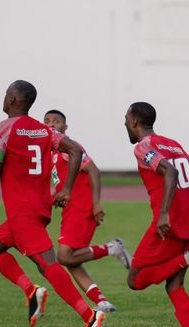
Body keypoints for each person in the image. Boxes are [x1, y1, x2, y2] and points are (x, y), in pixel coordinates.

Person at [0, 80, 104, 327]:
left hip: (22, 210)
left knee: (48, 265)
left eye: (6, 94)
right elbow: (76, 149)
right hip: (38, 206)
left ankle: (90, 315)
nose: (4, 98)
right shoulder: (43, 130)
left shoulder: (2, 129)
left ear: (12, 99)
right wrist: (67, 188)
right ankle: (30, 290)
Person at [124, 102, 189, 327]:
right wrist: (185, 202)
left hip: (168, 224)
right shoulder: (173, 144)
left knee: (135, 280)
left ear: (133, 121)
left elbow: (170, 172)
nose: (125, 125)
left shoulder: (143, 147)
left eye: (125, 120)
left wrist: (165, 213)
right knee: (174, 286)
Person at [43, 109, 132, 313]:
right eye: (46, 121)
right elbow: (60, 181)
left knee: (64, 257)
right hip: (70, 209)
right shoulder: (52, 153)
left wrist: (96, 203)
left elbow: (94, 170)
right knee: (72, 259)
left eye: (56, 121)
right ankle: (101, 301)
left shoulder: (70, 148)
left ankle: (113, 248)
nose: (51, 124)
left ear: (65, 127)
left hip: (81, 206)